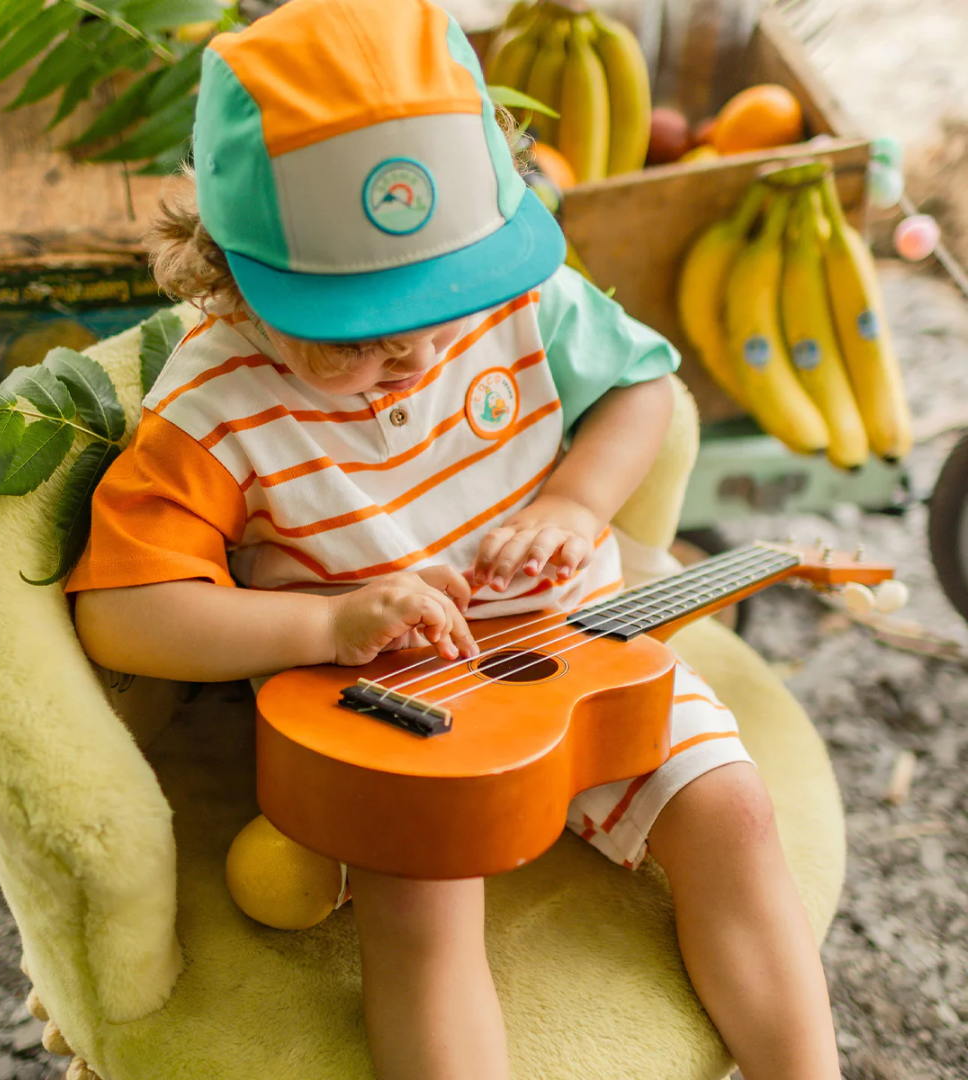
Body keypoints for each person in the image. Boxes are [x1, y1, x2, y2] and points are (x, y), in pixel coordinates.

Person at [67, 1, 841, 1078]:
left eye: (442, 301)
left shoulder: (509, 297)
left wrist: (575, 504)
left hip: (581, 656)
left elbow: (642, 389)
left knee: (734, 811)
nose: (423, 351)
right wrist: (329, 619)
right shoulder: (214, 405)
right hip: (390, 711)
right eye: (361, 336)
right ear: (232, 274)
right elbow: (122, 610)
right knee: (423, 915)